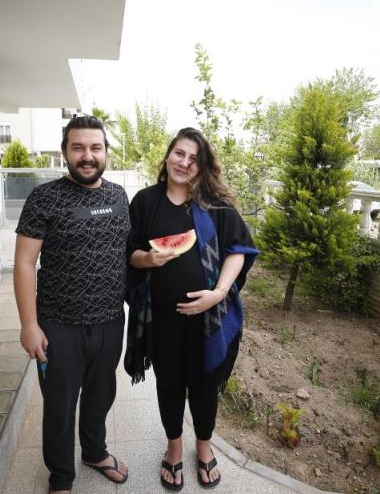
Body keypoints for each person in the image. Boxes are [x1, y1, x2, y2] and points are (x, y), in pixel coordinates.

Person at [125, 127, 258, 491]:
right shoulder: (146, 201)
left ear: (202, 166)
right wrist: (148, 258)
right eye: (179, 153)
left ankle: (203, 446)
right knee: (168, 385)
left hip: (207, 319)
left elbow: (238, 250)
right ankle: (173, 449)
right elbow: (130, 252)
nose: (184, 163)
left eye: (193, 159)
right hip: (162, 320)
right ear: (168, 155)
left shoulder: (215, 206)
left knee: (204, 385)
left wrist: (218, 293)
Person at [14, 115, 130, 493]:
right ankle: (61, 477)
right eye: (78, 147)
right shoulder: (44, 197)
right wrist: (29, 325)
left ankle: (95, 452)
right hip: (58, 324)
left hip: (110, 320)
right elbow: (24, 263)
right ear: (65, 151)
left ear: (106, 152)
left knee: (101, 394)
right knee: (60, 406)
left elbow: (126, 252)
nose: (87, 155)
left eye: (95, 147)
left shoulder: (119, 197)